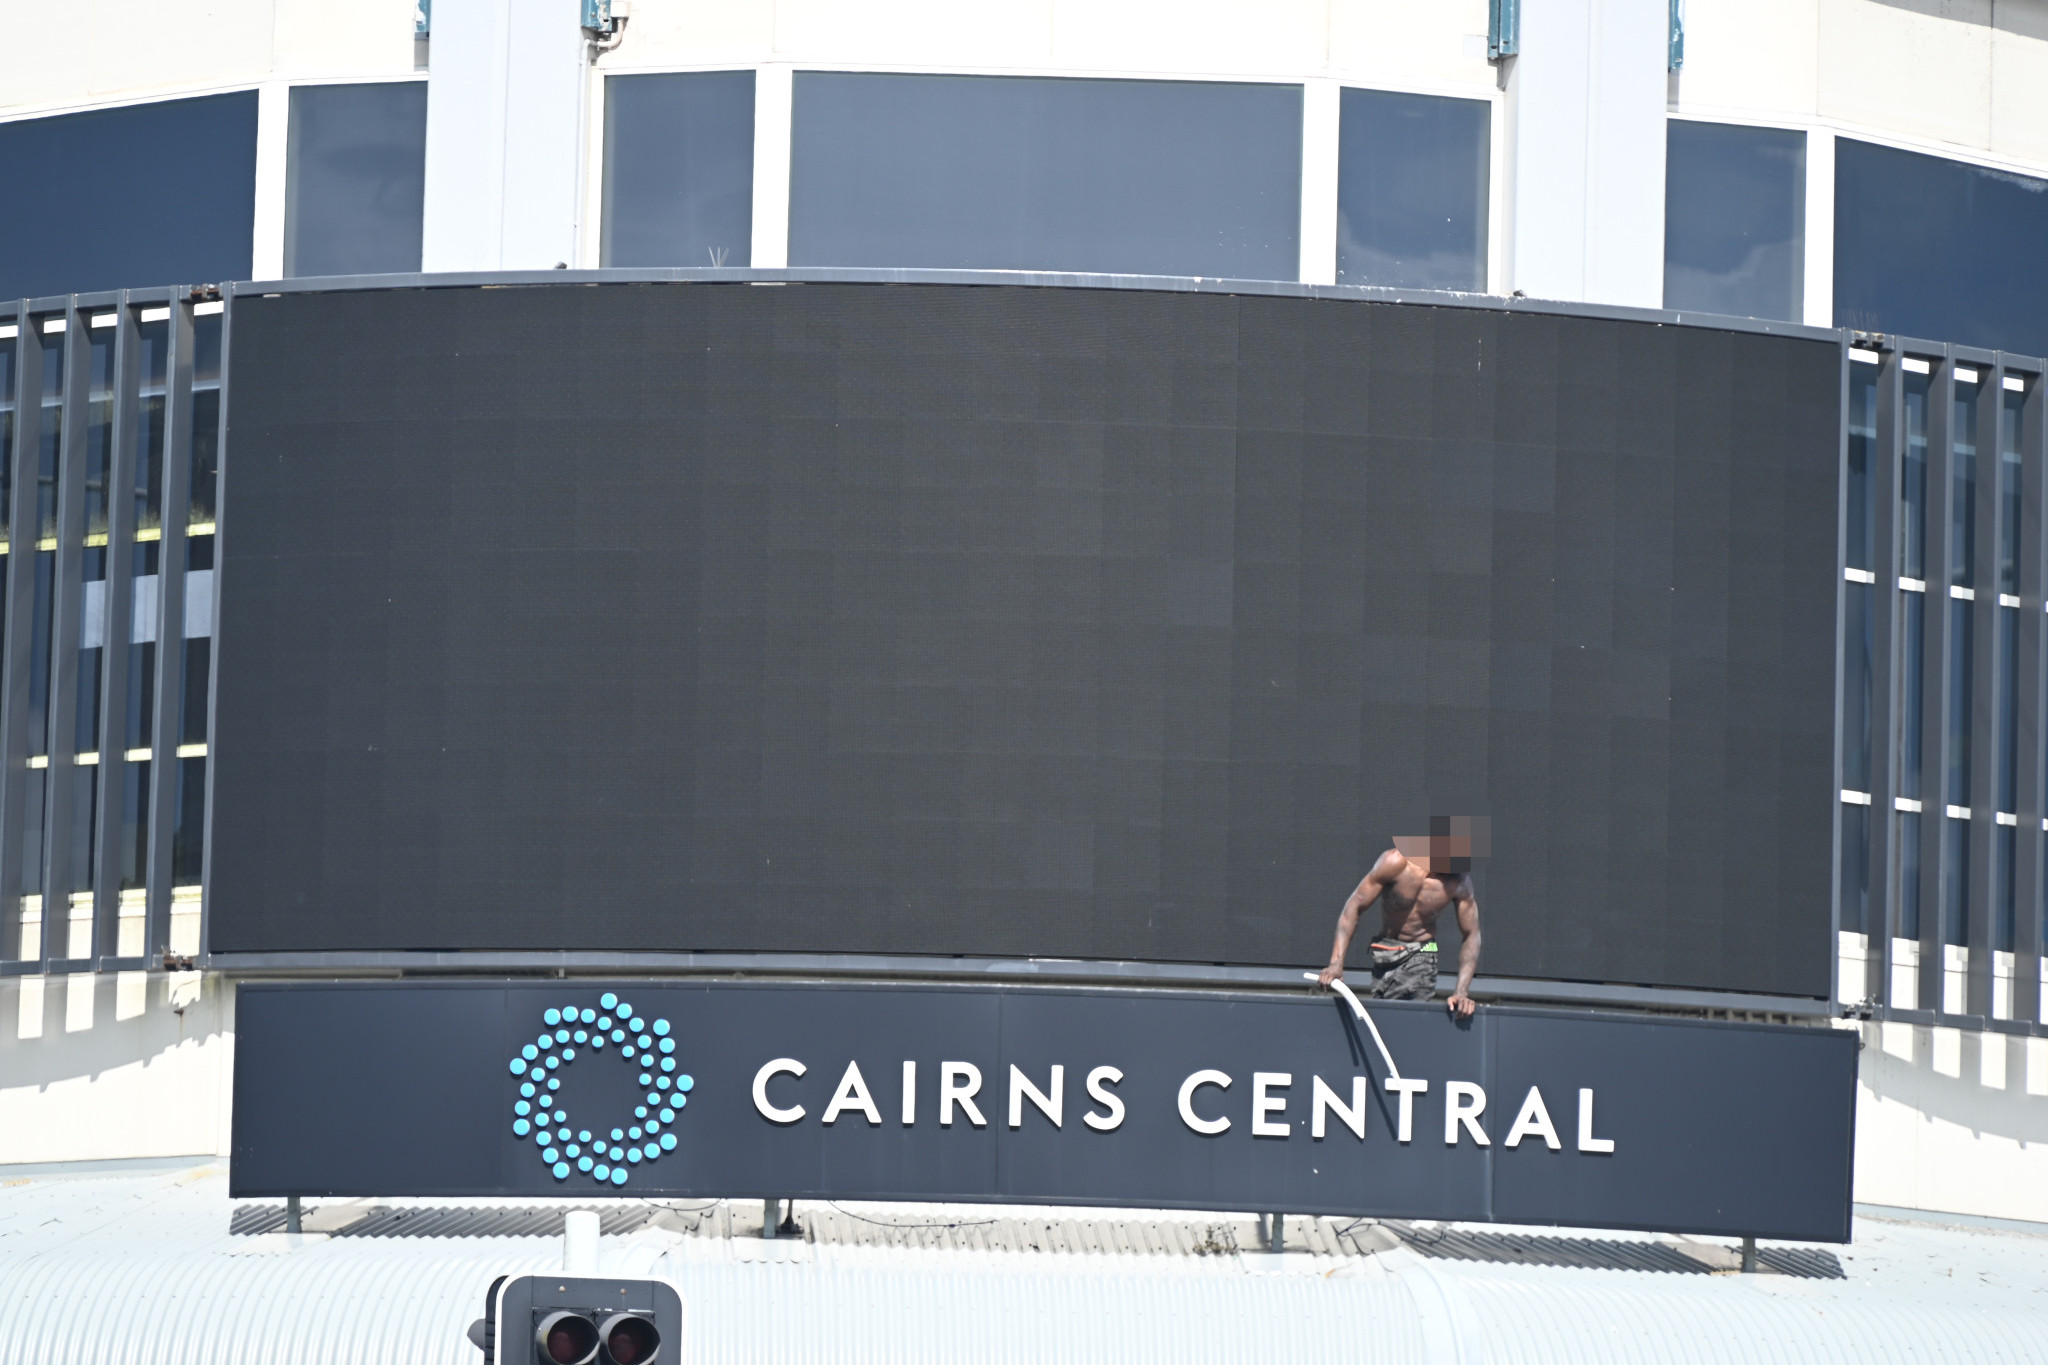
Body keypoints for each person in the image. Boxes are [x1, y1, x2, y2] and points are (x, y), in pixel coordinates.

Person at [1317, 830, 1482, 1017]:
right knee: (1384, 1021)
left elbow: (1472, 935)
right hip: (1385, 953)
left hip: (1421, 956)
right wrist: (1336, 963)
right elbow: (1355, 906)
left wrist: (1461, 992)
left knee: (1400, 1019)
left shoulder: (1459, 881)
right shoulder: (1395, 862)